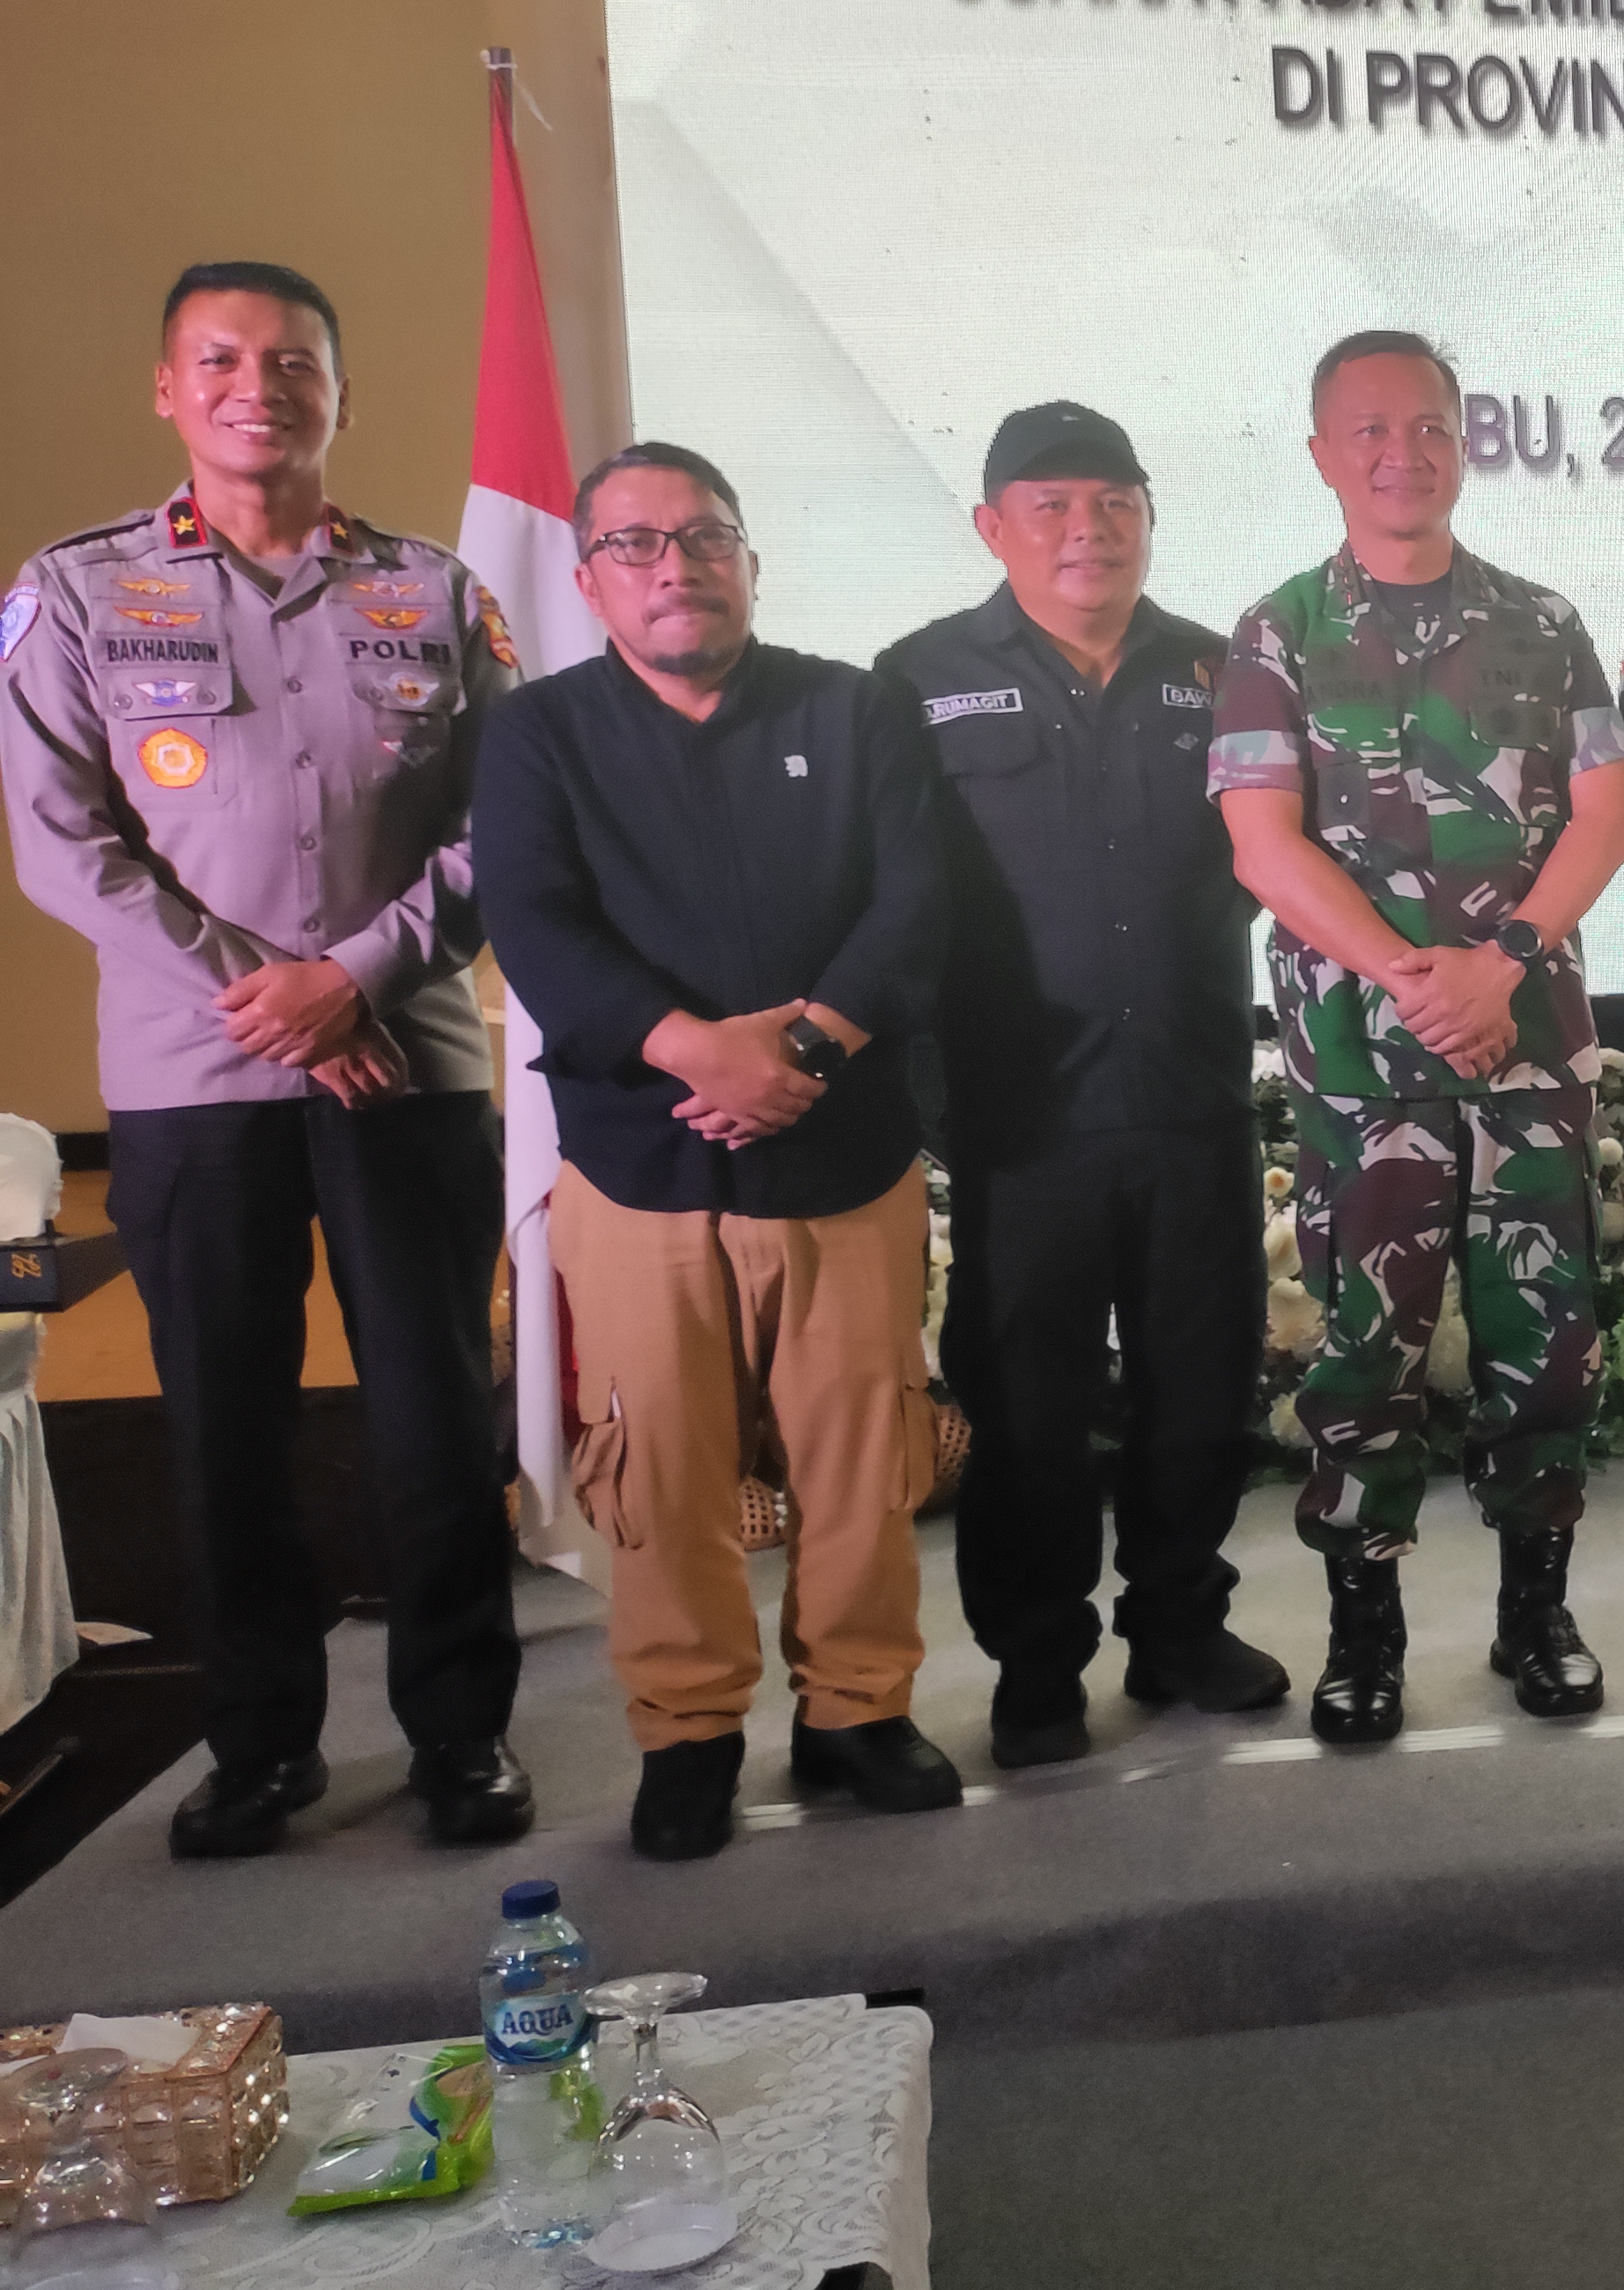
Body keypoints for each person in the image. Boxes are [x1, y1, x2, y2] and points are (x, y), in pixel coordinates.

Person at [0, 262, 527, 1858]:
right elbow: (62, 843)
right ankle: (258, 1745)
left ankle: (463, 1735)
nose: (258, 386)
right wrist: (275, 997)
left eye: (294, 361)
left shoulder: (434, 592)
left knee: (435, 1416)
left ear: (340, 395)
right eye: (220, 359)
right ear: (167, 389)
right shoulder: (77, 593)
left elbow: (508, 824)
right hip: (192, 1078)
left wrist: (353, 983)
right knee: (223, 1429)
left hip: (408, 1068)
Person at [476, 442, 960, 1861]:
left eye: (703, 537)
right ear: (589, 582)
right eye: (634, 544)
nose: (673, 566)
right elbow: (536, 924)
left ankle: (857, 1709)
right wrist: (702, 1052)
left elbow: (917, 901)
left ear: (750, 560)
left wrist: (801, 1052)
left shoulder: (855, 707)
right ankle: (687, 1732)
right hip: (639, 1163)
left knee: (863, 1456)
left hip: (841, 1148)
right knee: (660, 1472)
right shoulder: (540, 733)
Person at [1213, 333, 1624, 1742]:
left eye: (1432, 426)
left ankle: (1537, 1611)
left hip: (1526, 1040)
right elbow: (1263, 843)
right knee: (1364, 1343)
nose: (1405, 452)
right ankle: (1366, 1629)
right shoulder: (1277, 633)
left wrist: (1499, 961)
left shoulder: (1544, 622)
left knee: (1547, 1335)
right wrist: (1411, 976)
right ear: (1324, 454)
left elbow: (1606, 813)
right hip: (1361, 1058)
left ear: (1467, 441)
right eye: (1372, 430)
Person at [876, 403, 1286, 1770]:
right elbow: (892, 890)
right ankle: (1037, 1661)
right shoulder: (917, 679)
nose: (1086, 529)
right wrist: (929, 1088)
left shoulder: (1223, 672)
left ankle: (1178, 1626)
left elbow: (1276, 859)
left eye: (1114, 502)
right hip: (1019, 1118)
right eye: (1050, 505)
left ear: (1149, 517)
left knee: (1201, 1387)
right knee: (1026, 1407)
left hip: (1189, 1096)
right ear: (991, 527)